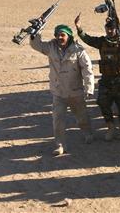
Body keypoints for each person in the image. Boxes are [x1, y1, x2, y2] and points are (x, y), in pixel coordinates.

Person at [29, 24, 94, 156]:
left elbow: (87, 69)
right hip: (58, 92)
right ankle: (60, 144)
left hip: (75, 91)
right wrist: (36, 31)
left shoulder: (78, 50)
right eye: (58, 35)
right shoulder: (51, 47)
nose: (59, 37)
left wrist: (89, 87)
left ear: (69, 36)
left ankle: (87, 132)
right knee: (58, 119)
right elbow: (36, 45)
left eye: (62, 35)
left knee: (81, 116)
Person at [75, 15, 120, 141]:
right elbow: (88, 39)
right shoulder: (102, 42)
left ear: (116, 29)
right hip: (106, 80)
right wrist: (79, 29)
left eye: (111, 29)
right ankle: (110, 127)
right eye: (107, 29)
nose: (109, 31)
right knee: (103, 103)